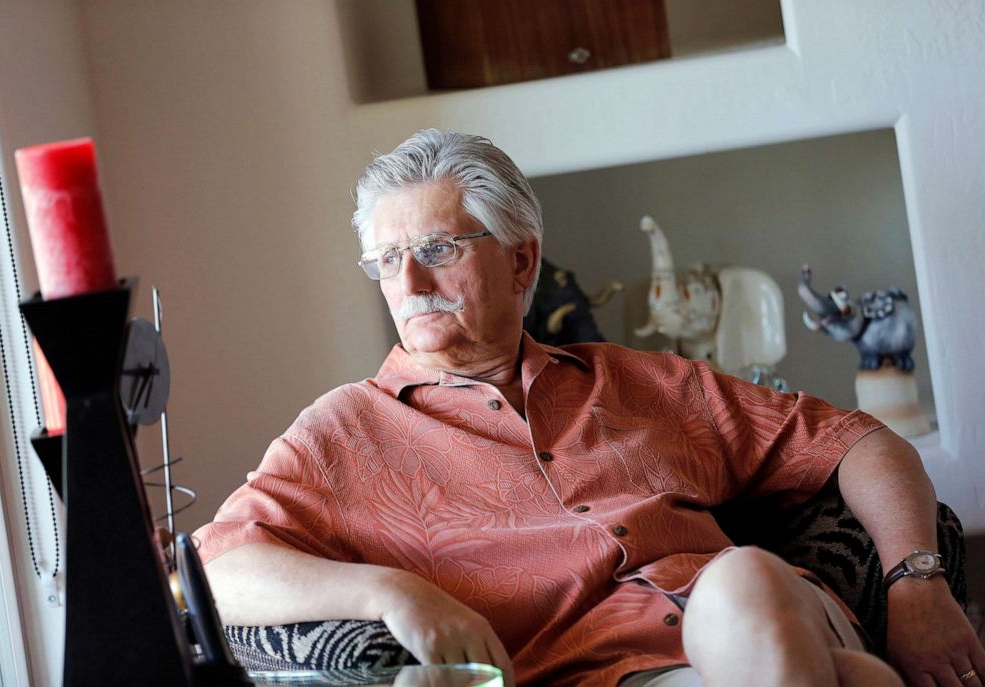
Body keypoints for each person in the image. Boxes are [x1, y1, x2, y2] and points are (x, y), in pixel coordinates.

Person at [195, 129, 983, 687]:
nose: (409, 284)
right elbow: (214, 564)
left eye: (437, 249)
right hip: (616, 674)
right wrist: (393, 592)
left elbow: (859, 441)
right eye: (387, 260)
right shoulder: (346, 430)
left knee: (746, 583)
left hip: (764, 614)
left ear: (521, 259)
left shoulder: (639, 380)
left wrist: (918, 582)